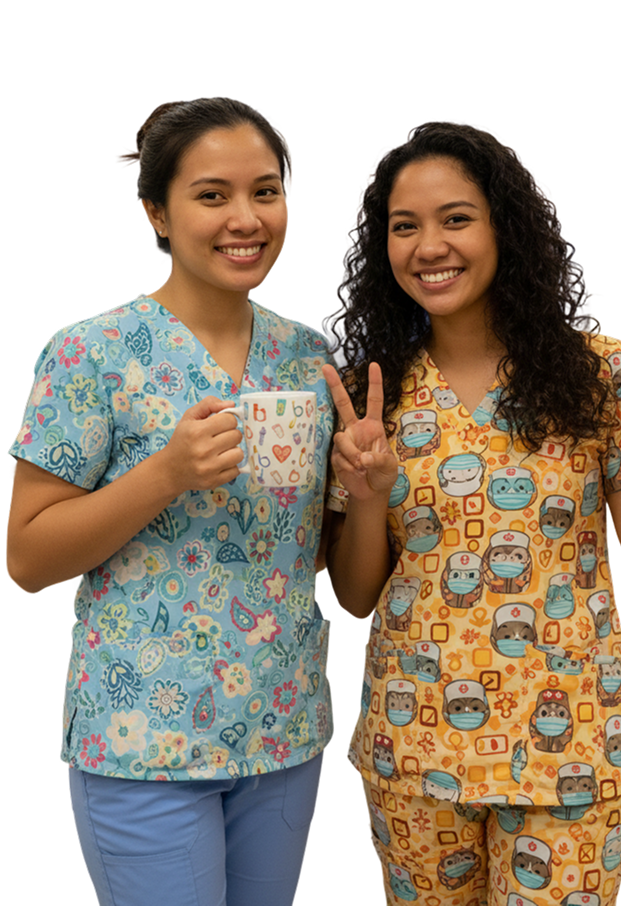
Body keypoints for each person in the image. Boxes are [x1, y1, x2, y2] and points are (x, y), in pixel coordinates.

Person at [321, 120, 621, 905]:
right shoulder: (371, 393)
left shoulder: (597, 371)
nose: (430, 245)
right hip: (413, 751)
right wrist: (364, 499)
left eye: (456, 218)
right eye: (405, 226)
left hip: (572, 753)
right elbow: (357, 598)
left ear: (504, 225)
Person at [6, 97, 336, 906]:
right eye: (212, 194)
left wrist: (362, 490)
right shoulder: (90, 351)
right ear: (156, 209)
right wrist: (165, 474)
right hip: (142, 741)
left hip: (286, 733)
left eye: (267, 191)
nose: (245, 218)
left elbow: (316, 553)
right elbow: (27, 558)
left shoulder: (313, 355)